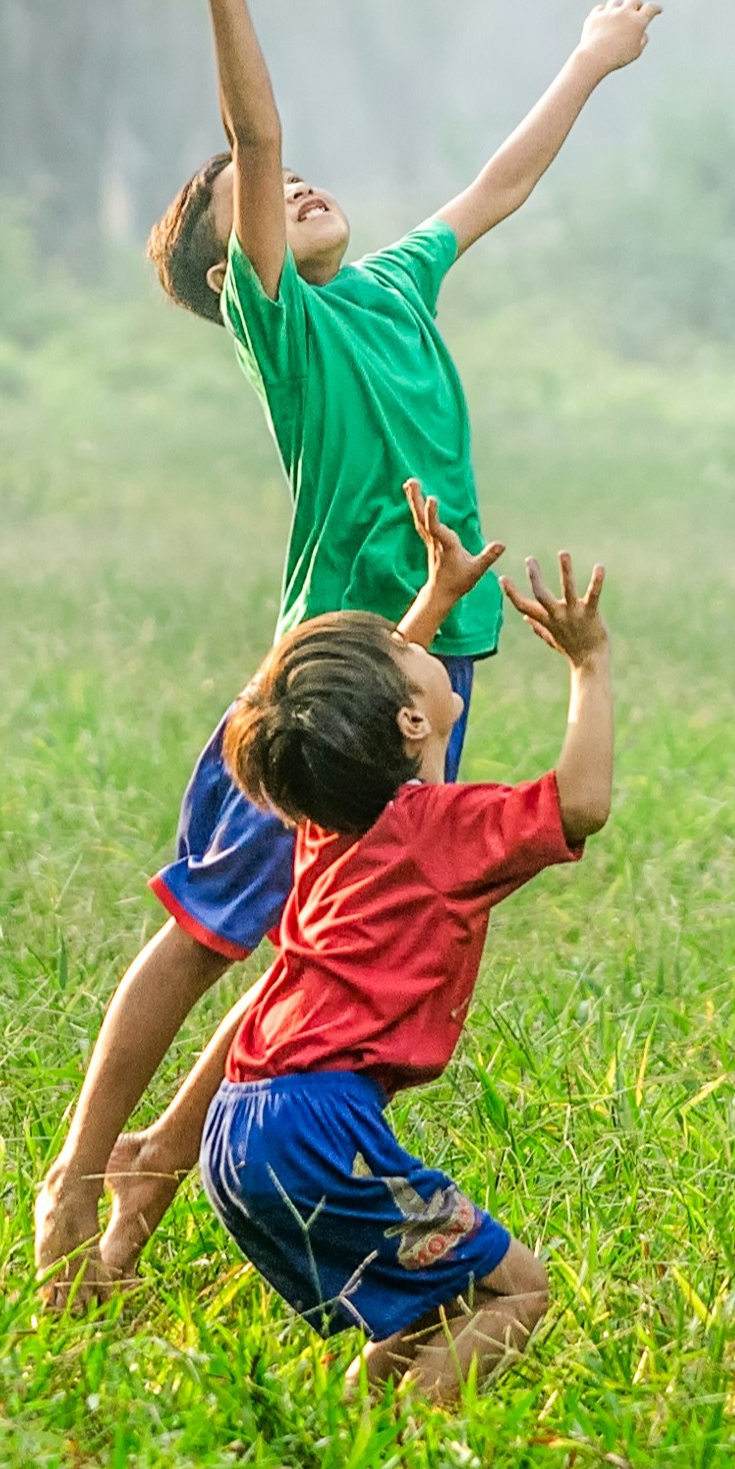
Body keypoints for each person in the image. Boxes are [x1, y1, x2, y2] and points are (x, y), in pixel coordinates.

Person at [34, 0, 657, 1300]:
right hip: (326, 675)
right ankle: (78, 1179)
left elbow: (495, 186)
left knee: (319, 955)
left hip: (428, 667)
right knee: (206, 930)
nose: (293, 182)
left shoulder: (388, 284)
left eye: (306, 178)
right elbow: (251, 135)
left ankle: (137, 1214)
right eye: (253, 199)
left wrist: (587, 60)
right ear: (224, 268)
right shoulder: (286, 324)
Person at [197, 536, 612, 1404]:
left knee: (428, 1303)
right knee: (518, 1288)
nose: (414, 641)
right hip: (321, 1132)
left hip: (237, 1127)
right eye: (408, 649)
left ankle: (352, 1432)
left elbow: (359, 717)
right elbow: (581, 800)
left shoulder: (328, 813)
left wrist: (431, 600)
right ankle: (411, 1452)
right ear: (411, 720)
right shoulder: (444, 832)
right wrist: (588, 663)